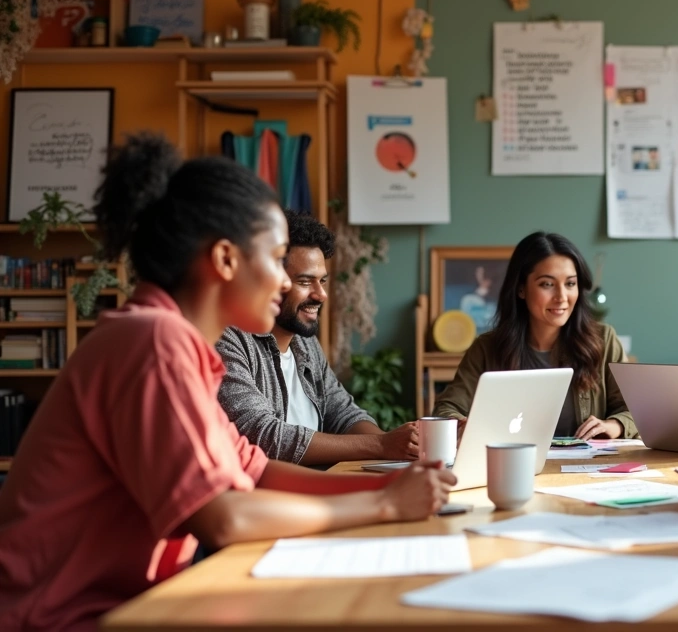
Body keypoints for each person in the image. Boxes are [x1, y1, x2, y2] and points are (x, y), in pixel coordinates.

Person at [0, 134, 455, 631]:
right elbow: (224, 518)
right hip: (54, 618)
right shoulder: (153, 342)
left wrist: (393, 481)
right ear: (224, 259)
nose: (286, 283)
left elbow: (257, 471)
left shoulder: (175, 343)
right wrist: (384, 503)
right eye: (277, 258)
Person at [216, 211, 419, 466]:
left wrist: (400, 450)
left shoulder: (304, 341)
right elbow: (262, 435)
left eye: (322, 280)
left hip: (319, 490)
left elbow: (343, 412)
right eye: (305, 281)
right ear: (269, 279)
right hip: (273, 499)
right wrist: (381, 445)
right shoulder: (229, 341)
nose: (321, 294)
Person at [432, 232, 637, 440]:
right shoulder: (487, 348)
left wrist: (615, 425)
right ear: (521, 289)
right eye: (547, 284)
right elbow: (446, 409)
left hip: (585, 468)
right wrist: (464, 426)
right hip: (511, 465)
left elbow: (635, 410)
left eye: (570, 284)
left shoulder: (604, 340)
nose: (561, 297)